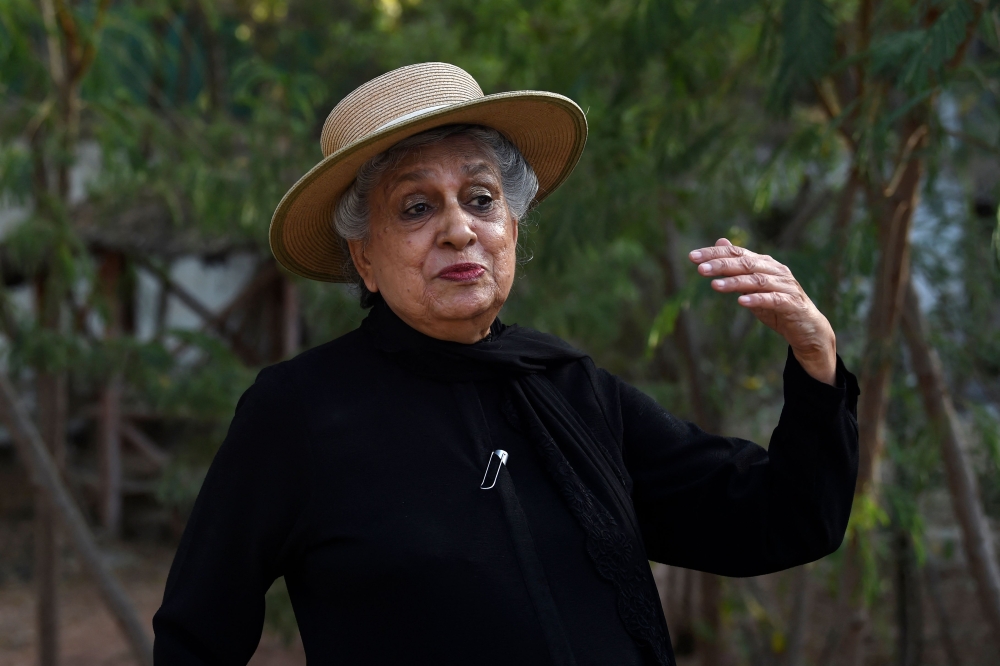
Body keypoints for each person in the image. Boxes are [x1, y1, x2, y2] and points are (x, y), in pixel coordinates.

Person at [153, 62, 859, 666]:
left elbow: (782, 519)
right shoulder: (299, 413)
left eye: (482, 199)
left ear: (512, 230)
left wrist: (814, 357)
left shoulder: (571, 390)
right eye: (416, 206)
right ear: (363, 259)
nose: (459, 228)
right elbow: (195, 637)